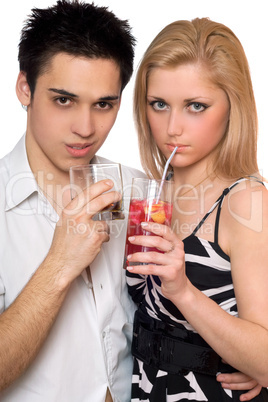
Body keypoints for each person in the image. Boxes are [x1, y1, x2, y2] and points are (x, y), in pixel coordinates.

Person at [0, 1, 146, 401]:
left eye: (104, 104)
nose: (86, 129)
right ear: (24, 88)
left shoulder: (137, 189)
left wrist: (232, 359)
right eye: (63, 100)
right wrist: (61, 263)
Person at [126, 17, 268, 401]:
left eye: (195, 106)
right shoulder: (147, 197)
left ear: (231, 106)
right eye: (159, 104)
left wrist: (184, 291)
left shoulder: (245, 202)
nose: (173, 127)